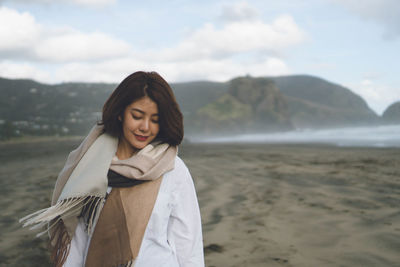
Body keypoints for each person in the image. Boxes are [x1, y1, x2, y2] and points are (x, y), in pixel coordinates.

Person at [20, 71, 204, 267]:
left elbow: (188, 243)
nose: (145, 127)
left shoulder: (173, 169)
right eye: (137, 116)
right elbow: (76, 242)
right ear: (120, 113)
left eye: (155, 120)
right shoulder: (89, 165)